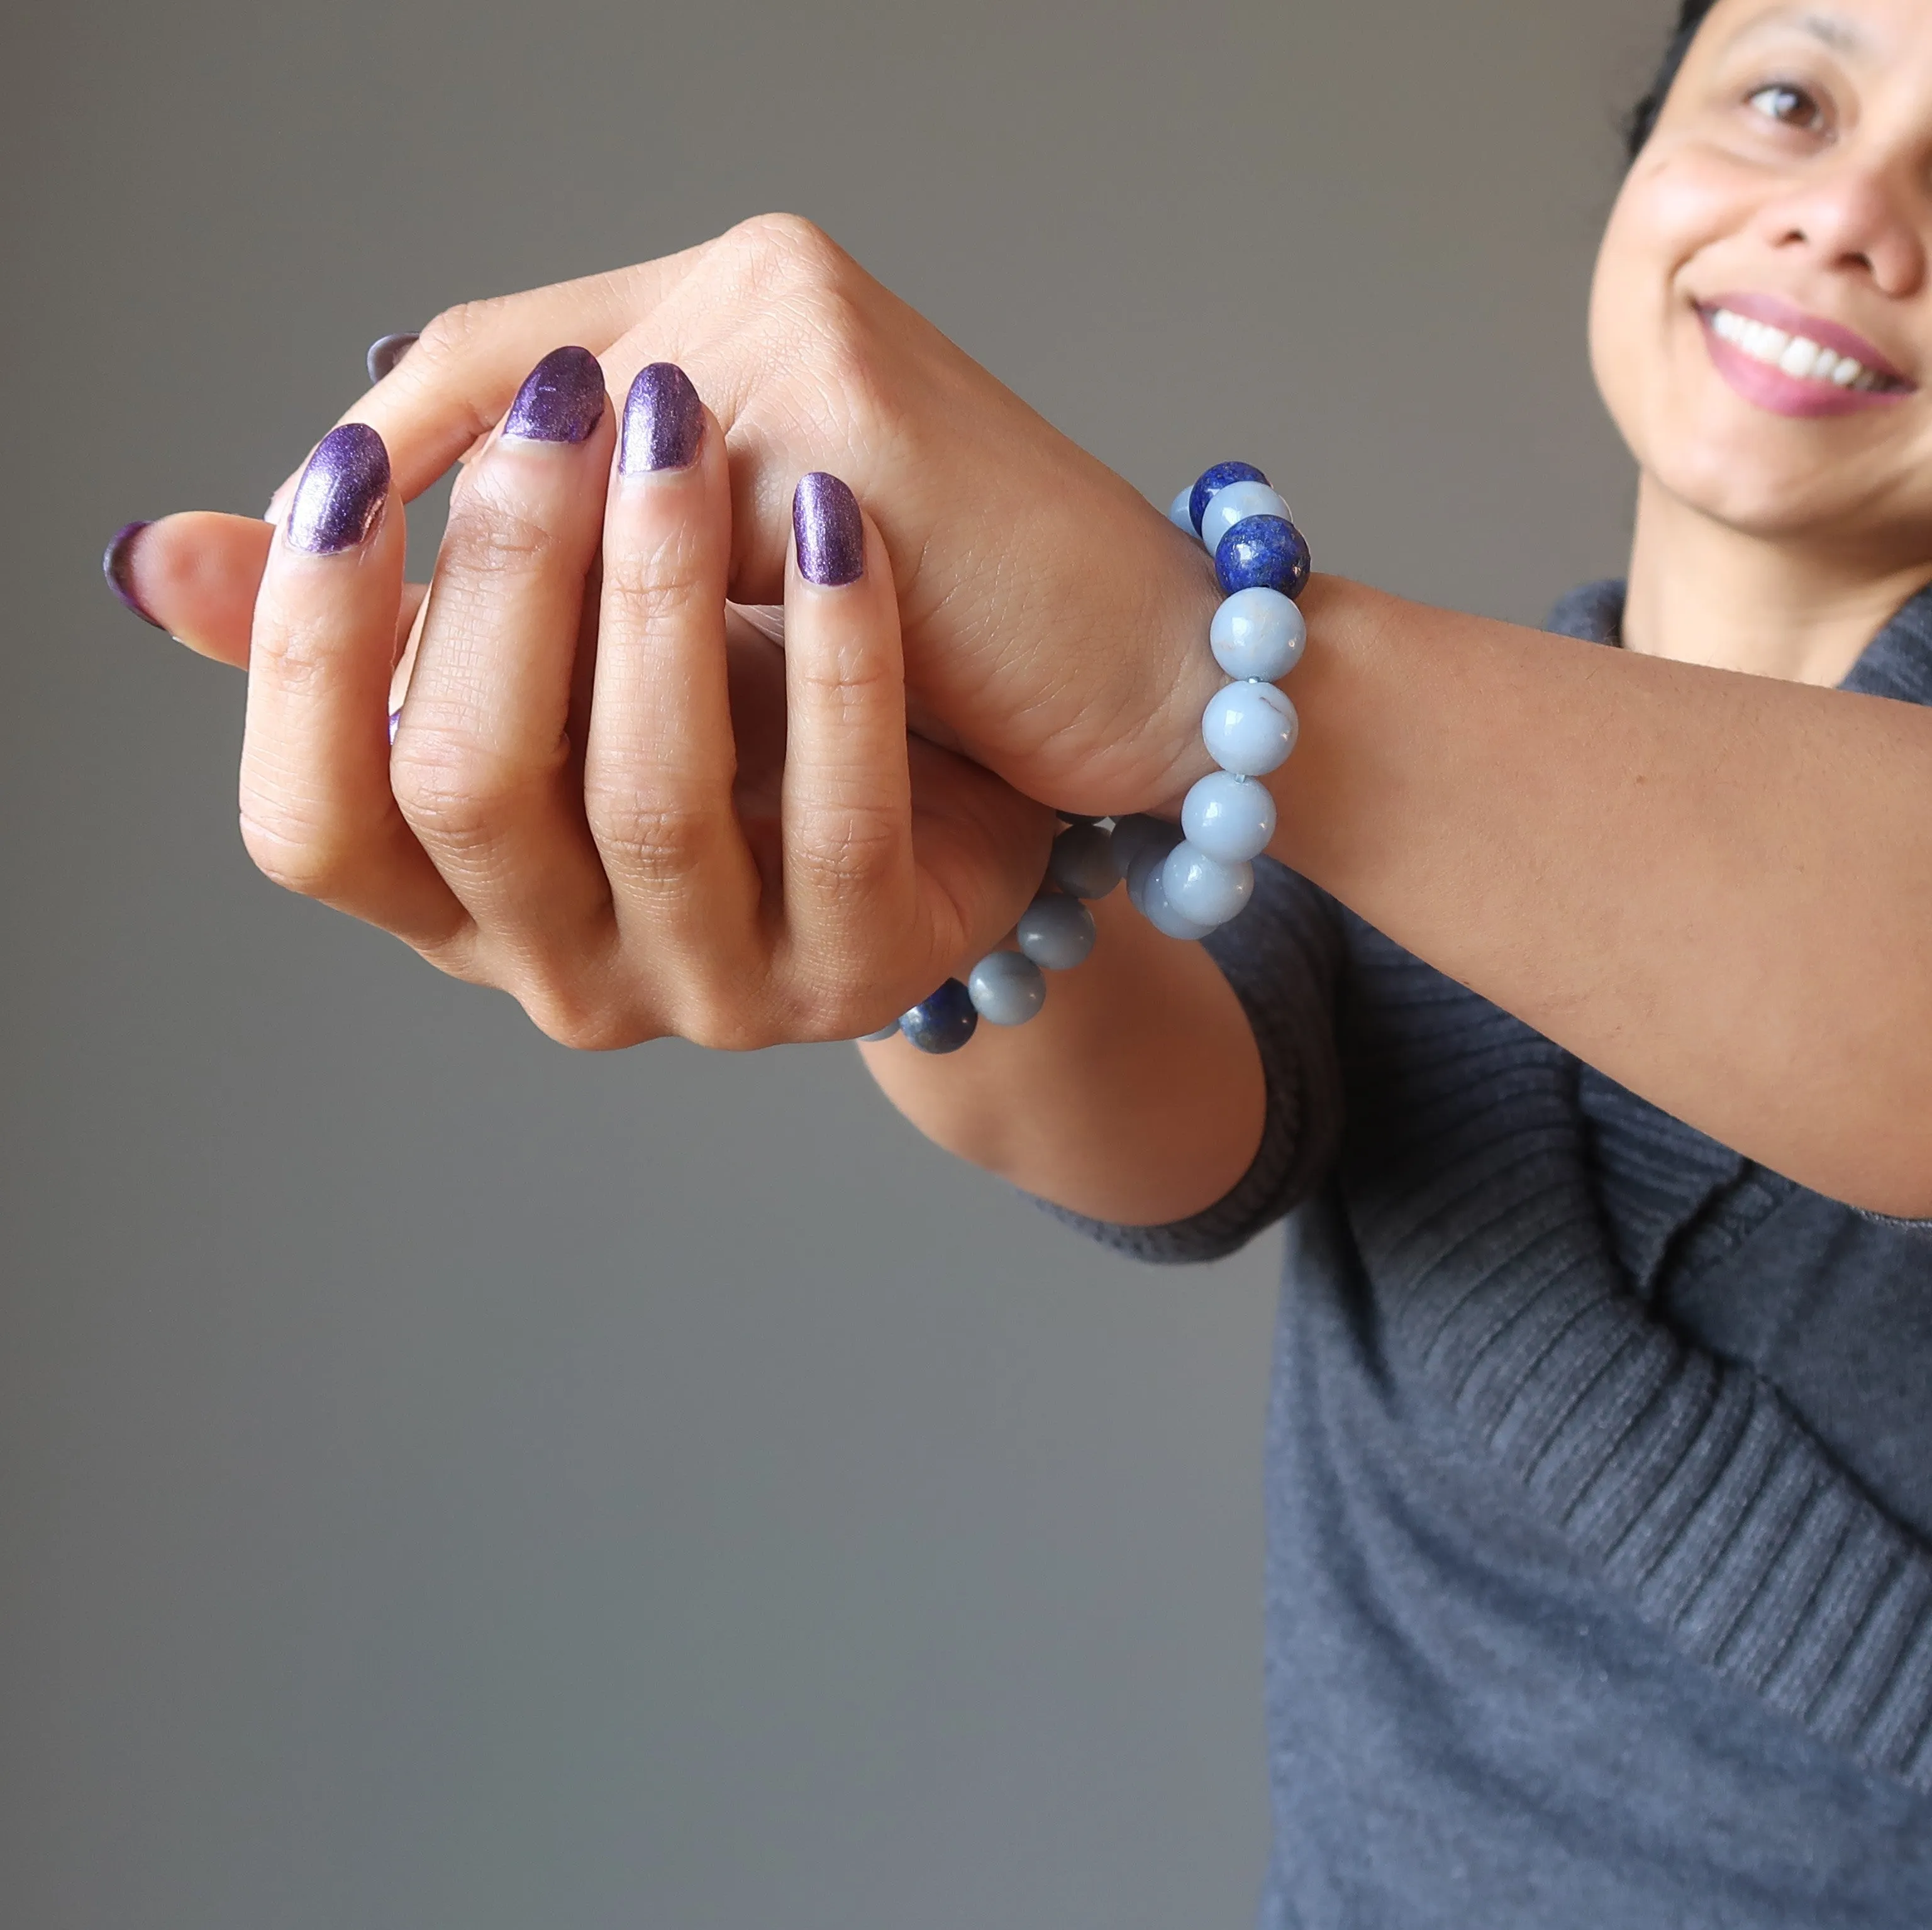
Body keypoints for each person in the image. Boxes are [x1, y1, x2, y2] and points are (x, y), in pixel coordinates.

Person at [103, 0, 1932, 1919]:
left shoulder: (1308, 745)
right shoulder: (1340, 839)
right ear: (1643, 164)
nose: (1853, 219)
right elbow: (1156, 1115)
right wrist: (895, 819)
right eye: (1788, 100)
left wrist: (1190, 662)